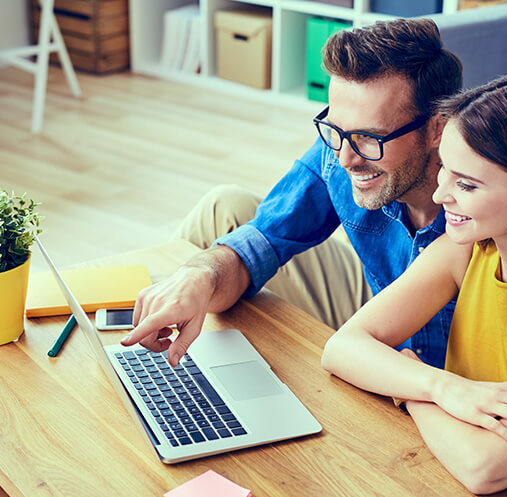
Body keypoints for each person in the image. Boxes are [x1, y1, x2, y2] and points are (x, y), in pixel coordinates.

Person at [321, 73, 507, 496]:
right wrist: (443, 387)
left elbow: (485, 468)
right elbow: (342, 348)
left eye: (466, 184)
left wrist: (414, 386)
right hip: (449, 468)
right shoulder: (470, 248)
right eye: (445, 171)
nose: (440, 196)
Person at [121, 18, 463, 369]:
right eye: (335, 130)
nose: (346, 159)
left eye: (369, 138)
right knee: (226, 207)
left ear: (437, 128)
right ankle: (167, 350)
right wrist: (200, 276)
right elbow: (265, 237)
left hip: (454, 366)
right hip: (375, 301)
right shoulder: (340, 151)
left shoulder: (487, 196)